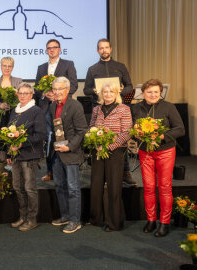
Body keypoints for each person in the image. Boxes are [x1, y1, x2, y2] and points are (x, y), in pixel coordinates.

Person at [131, 79, 185, 237]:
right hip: (145, 152)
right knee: (148, 187)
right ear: (143, 93)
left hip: (165, 151)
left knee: (164, 187)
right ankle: (151, 219)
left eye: (156, 92)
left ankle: (164, 222)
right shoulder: (136, 107)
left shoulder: (169, 106)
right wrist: (138, 134)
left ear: (160, 93)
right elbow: (133, 128)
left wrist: (162, 135)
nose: (153, 95)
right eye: (149, 92)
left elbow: (180, 129)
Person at [83, 38, 136, 187]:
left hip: (118, 108)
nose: (104, 50)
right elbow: (85, 89)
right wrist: (93, 91)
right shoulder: (92, 69)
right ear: (98, 51)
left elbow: (130, 87)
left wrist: (120, 90)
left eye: (106, 47)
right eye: (101, 48)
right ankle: (102, 175)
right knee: (99, 139)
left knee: (120, 140)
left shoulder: (120, 66)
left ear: (111, 49)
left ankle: (125, 172)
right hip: (100, 108)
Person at [88, 83, 132, 232]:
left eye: (111, 92)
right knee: (96, 185)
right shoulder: (96, 109)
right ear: (101, 94)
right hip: (98, 151)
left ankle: (115, 222)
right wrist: (95, 142)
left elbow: (127, 132)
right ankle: (96, 219)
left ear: (116, 93)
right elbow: (91, 128)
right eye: (105, 92)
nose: (107, 94)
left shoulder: (124, 109)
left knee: (114, 187)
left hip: (116, 152)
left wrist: (110, 146)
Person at [35, 39, 78, 182]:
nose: (52, 50)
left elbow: (73, 84)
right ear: (46, 51)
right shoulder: (41, 67)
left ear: (60, 49)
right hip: (47, 108)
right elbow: (37, 87)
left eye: (54, 47)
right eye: (49, 48)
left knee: (64, 137)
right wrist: (45, 93)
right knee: (49, 139)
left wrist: (59, 95)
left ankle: (65, 170)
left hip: (64, 107)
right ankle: (50, 171)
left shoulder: (68, 64)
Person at [49, 77, 87, 233]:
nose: (57, 92)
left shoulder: (75, 105)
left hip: (71, 153)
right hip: (57, 152)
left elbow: (82, 130)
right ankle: (65, 215)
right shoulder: (52, 106)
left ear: (67, 89)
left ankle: (75, 220)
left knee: (73, 188)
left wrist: (69, 147)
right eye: (55, 89)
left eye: (60, 89)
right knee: (59, 186)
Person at [7, 82, 46, 231]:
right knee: (17, 187)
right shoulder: (15, 111)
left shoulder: (37, 111)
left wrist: (22, 144)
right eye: (20, 93)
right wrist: (10, 152)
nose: (22, 96)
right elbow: (9, 133)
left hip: (30, 155)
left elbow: (40, 135)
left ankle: (32, 219)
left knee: (29, 188)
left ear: (31, 95)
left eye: (26, 93)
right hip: (16, 156)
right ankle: (22, 217)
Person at [0, 57, 23, 128]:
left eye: (9, 66)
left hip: (14, 114)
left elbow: (23, 98)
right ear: (1, 67)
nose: (7, 68)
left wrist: (13, 105)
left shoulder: (19, 81)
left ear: (12, 67)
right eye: (4, 66)